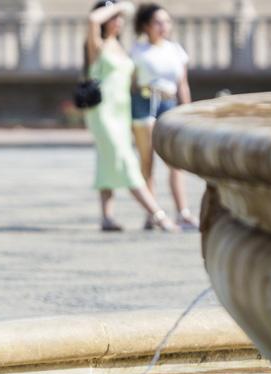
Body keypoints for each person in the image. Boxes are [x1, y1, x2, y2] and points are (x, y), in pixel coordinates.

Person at [84, 0, 178, 232]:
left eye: (121, 19)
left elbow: (134, 83)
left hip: (122, 112)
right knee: (126, 161)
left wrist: (156, 89)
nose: (119, 22)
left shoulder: (121, 46)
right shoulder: (97, 44)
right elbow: (92, 20)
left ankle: (107, 217)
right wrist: (119, 6)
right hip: (103, 113)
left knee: (107, 161)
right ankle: (158, 215)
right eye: (114, 18)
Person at [130, 3, 199, 230]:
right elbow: (130, 83)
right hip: (145, 102)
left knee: (174, 161)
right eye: (158, 22)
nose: (163, 27)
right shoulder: (137, 51)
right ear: (146, 26)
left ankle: (183, 211)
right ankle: (153, 213)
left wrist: (188, 112)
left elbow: (183, 84)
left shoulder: (175, 50)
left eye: (166, 22)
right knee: (147, 161)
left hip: (169, 102)